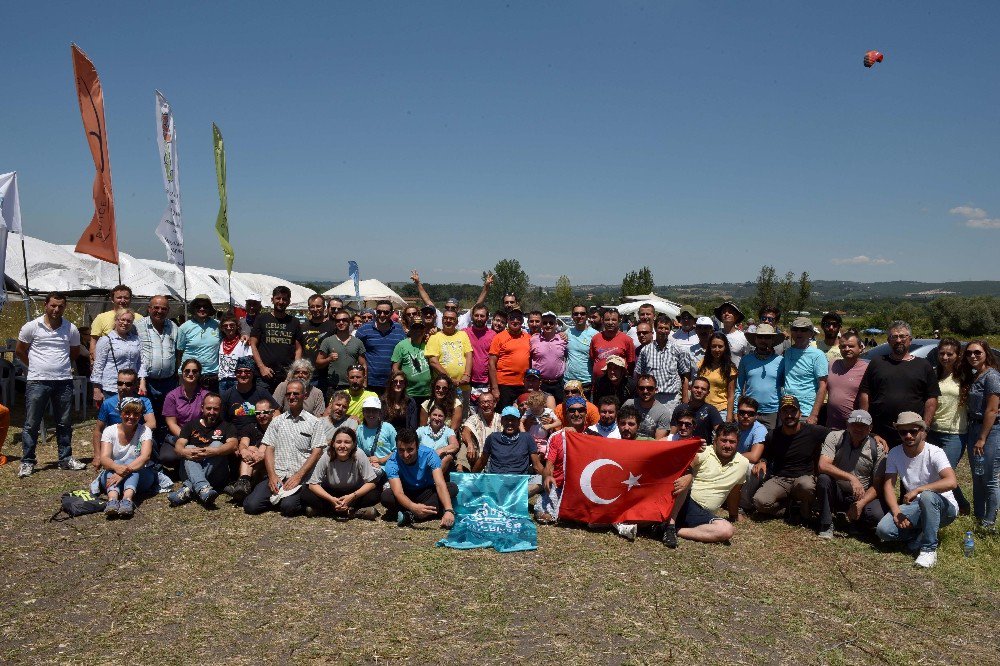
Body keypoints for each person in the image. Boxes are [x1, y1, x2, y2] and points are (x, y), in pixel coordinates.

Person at [875, 412, 959, 568]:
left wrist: (919, 490)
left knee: (927, 496)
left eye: (913, 431)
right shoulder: (894, 453)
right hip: (917, 506)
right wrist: (896, 513)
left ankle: (929, 549)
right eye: (903, 432)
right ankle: (921, 533)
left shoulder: (934, 452)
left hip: (944, 507)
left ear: (922, 431)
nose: (908, 435)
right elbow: (888, 485)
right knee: (883, 530)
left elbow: (951, 482)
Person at [243, 380, 328, 516]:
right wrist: (271, 476)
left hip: (300, 478)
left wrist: (298, 476)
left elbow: (317, 453)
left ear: (304, 396)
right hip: (278, 475)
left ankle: (290, 501)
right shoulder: (277, 421)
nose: (292, 396)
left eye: (296, 393)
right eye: (289, 394)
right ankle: (277, 497)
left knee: (288, 508)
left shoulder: (314, 423)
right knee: (250, 506)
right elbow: (269, 449)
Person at [661, 422, 749, 548]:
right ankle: (670, 525)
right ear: (715, 440)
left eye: (732, 441)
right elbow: (687, 465)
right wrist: (690, 474)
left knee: (726, 530)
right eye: (724, 440)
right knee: (684, 477)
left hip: (701, 514)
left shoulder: (743, 464)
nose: (727, 445)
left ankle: (671, 530)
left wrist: (733, 515)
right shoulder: (704, 451)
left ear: (738, 442)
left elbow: (735, 490)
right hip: (683, 503)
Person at [744, 396, 828, 522]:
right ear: (780, 414)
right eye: (785, 411)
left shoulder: (814, 431)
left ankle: (804, 505)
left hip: (803, 478)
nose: (789, 415)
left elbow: (837, 437)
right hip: (780, 479)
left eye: (793, 411)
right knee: (759, 502)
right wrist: (762, 461)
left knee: (807, 486)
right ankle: (789, 508)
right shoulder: (773, 435)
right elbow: (766, 454)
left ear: (800, 413)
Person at [859, 321, 940, 446]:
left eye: (902, 336)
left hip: (911, 433)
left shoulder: (923, 365)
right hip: (879, 433)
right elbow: (865, 393)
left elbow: (931, 399)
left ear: (910, 339)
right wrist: (866, 424)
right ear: (888, 340)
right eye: (894, 336)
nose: (898, 340)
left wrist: (925, 428)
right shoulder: (877, 363)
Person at [815, 410, 888, 539]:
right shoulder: (835, 437)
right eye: (854, 424)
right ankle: (826, 524)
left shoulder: (878, 448)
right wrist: (851, 478)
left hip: (861, 495)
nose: (858, 429)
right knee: (823, 479)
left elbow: (878, 485)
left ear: (870, 428)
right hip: (837, 490)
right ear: (847, 425)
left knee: (877, 515)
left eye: (863, 426)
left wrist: (861, 502)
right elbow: (823, 465)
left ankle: (856, 521)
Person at [168, 393, 239, 507]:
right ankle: (203, 488)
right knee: (189, 447)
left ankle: (188, 488)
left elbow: (233, 444)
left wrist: (214, 451)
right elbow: (179, 445)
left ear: (220, 409)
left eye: (215, 409)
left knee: (217, 444)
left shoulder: (227, 426)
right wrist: (185, 452)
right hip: (190, 468)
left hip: (217, 473)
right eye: (208, 408)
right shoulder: (190, 425)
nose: (212, 412)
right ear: (202, 408)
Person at [926, 338, 970, 515]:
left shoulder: (966, 376)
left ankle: (955, 505)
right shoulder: (933, 374)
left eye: (949, 354)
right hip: (933, 431)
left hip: (955, 433)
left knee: (944, 473)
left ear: (957, 355)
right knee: (935, 471)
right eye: (942, 353)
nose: (945, 357)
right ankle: (961, 504)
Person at [381, 427, 458, 528]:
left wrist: (449, 510)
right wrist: (413, 506)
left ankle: (409, 516)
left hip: (426, 491)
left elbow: (439, 483)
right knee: (386, 497)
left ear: (417, 446)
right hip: (406, 492)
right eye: (401, 450)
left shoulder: (429, 454)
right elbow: (398, 492)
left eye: (410, 450)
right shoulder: (392, 462)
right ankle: (430, 511)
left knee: (452, 488)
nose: (405, 455)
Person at [302, 426, 381, 520]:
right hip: (331, 493)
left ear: (353, 444)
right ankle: (352, 511)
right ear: (333, 444)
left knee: (375, 495)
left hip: (354, 493)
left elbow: (371, 483)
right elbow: (313, 484)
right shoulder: (327, 455)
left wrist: (352, 496)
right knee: (305, 493)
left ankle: (325, 511)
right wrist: (331, 499)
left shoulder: (359, 454)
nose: (342, 446)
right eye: (338, 442)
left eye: (347, 442)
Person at [962, 340, 1000, 529]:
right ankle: (978, 516)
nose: (973, 356)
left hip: (989, 431)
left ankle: (989, 521)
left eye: (977, 352)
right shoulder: (976, 375)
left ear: (986, 353)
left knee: (990, 478)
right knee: (977, 476)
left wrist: (982, 438)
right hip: (973, 428)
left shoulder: (992, 376)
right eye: (968, 353)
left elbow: (992, 410)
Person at [96, 398, 156, 518]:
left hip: (139, 476)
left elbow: (145, 457)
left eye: (136, 414)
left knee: (131, 463)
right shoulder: (109, 430)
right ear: (120, 413)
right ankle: (112, 499)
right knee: (116, 462)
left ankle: (127, 500)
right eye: (127, 413)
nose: (131, 417)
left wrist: (123, 472)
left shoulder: (145, 430)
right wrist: (117, 468)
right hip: (113, 474)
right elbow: (104, 459)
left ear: (140, 415)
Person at [92, 369, 156, 470]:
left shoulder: (143, 401)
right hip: (115, 443)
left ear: (136, 385)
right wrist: (97, 455)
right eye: (120, 383)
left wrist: (133, 432)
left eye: (128, 384)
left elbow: (152, 423)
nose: (123, 387)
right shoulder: (108, 404)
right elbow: (98, 430)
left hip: (137, 441)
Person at [539, 396, 590, 521]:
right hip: (560, 485)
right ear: (566, 414)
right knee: (542, 512)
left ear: (585, 413)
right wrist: (548, 476)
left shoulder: (593, 436)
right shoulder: (556, 437)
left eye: (580, 410)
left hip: (584, 487)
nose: (576, 414)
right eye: (572, 411)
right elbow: (549, 466)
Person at [135, 294, 178, 440]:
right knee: (147, 417)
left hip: (169, 381)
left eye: (164, 308)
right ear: (149, 308)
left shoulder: (173, 327)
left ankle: (163, 447)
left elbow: (178, 351)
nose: (159, 311)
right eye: (156, 308)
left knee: (166, 415)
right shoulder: (138, 326)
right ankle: (148, 450)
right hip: (147, 381)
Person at [474, 406, 543, 489]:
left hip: (520, 482)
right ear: (502, 421)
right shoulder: (492, 438)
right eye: (506, 419)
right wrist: (470, 477)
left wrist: (547, 477)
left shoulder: (526, 438)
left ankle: (515, 496)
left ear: (518, 422)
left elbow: (537, 465)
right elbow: (482, 461)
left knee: (540, 480)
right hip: (496, 481)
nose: (510, 422)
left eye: (513, 419)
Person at [250, 286, 303, 393]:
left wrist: (293, 371)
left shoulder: (294, 322)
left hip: (286, 376)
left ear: (289, 302)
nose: (281, 301)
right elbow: (253, 344)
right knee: (263, 407)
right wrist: (261, 367)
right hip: (264, 375)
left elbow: (298, 349)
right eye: (278, 298)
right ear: (272, 299)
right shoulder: (262, 319)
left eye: (284, 299)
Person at [222, 397, 275, 502]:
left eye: (265, 412)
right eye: (258, 413)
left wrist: (262, 454)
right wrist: (244, 451)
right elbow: (243, 443)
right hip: (255, 464)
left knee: (253, 448)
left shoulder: (278, 427)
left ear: (272, 412)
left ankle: (242, 484)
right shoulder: (250, 427)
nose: (261, 415)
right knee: (250, 448)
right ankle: (245, 484)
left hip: (272, 463)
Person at [777, 317, 828, 425]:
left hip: (806, 413)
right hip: (786, 410)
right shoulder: (787, 352)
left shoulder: (818, 355)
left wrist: (814, 415)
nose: (798, 332)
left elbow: (823, 386)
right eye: (795, 329)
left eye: (803, 330)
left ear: (811, 333)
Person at [91, 308, 146, 408]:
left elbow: (141, 363)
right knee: (113, 418)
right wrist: (97, 389)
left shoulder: (136, 340)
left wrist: (142, 381)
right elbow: (98, 366)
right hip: (112, 387)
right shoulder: (106, 340)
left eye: (129, 321)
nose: (125, 323)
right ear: (116, 320)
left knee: (130, 418)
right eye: (122, 320)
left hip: (131, 386)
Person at [636, 314, 690, 412]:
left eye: (666, 328)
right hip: (650, 397)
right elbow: (639, 374)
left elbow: (685, 376)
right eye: (660, 328)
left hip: (672, 399)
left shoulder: (678, 350)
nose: (663, 331)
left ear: (670, 330)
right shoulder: (645, 350)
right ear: (655, 329)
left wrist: (685, 399)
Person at [160, 359, 210, 468]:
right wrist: (187, 437)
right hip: (178, 435)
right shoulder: (172, 396)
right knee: (167, 457)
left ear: (199, 374)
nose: (190, 374)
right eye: (187, 371)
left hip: (201, 435)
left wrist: (198, 437)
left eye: (194, 371)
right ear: (182, 373)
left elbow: (210, 420)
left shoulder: (206, 395)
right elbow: (171, 423)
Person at [735, 324, 783, 431]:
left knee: (770, 444)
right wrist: (735, 410)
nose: (763, 340)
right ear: (755, 339)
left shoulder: (780, 361)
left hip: (772, 412)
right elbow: (739, 387)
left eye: (767, 337)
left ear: (772, 340)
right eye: (760, 337)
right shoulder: (746, 360)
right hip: (749, 411)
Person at [410, 269, 492, 330]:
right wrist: (418, 283)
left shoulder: (464, 319)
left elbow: (478, 304)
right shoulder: (440, 317)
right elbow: (427, 300)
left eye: (453, 308)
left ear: (458, 309)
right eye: (447, 307)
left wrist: (486, 287)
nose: (450, 309)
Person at [354, 300, 405, 394]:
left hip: (392, 382)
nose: (382, 315)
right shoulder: (364, 329)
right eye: (379, 312)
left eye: (386, 312)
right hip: (370, 382)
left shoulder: (399, 329)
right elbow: (357, 352)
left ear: (391, 313)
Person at [426, 308, 473, 405]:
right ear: (442, 320)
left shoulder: (463, 335)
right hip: (443, 386)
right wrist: (450, 380)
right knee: (443, 414)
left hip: (463, 385)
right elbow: (433, 362)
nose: (448, 320)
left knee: (462, 417)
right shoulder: (434, 337)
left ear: (456, 321)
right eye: (446, 318)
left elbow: (469, 355)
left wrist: (467, 375)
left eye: (452, 319)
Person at [316, 307, 366, 396]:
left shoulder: (358, 342)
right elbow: (318, 363)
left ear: (350, 322)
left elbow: (363, 365)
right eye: (338, 321)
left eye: (344, 320)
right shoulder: (327, 341)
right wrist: (328, 359)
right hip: (333, 386)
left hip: (353, 385)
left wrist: (364, 383)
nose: (341, 323)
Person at [222, 357, 279, 432]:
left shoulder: (261, 392)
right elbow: (223, 420)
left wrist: (270, 430)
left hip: (258, 434)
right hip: (235, 436)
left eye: (247, 371)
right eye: (239, 371)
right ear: (235, 374)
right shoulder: (227, 395)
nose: (243, 374)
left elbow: (276, 411)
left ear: (253, 373)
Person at [176, 295, 221, 391]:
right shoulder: (184, 327)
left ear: (210, 309)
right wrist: (180, 374)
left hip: (212, 374)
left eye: (205, 306)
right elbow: (179, 352)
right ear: (193, 308)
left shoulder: (217, 325)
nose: (202, 309)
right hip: (191, 374)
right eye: (198, 306)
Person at [825, 330, 868, 430]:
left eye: (851, 346)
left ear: (860, 348)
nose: (847, 349)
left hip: (855, 429)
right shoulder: (832, 365)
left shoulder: (867, 369)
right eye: (843, 346)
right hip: (831, 426)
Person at [489, 309, 531, 408]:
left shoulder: (528, 337)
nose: (515, 321)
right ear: (508, 320)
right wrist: (495, 388)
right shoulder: (499, 337)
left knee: (522, 416)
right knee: (504, 416)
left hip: (523, 385)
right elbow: (491, 364)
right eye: (512, 318)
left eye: (518, 318)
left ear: (522, 321)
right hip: (504, 385)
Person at [88, 284, 143, 360]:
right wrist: (94, 361)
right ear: (112, 299)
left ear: (130, 299)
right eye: (119, 297)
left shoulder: (139, 318)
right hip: (108, 362)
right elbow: (94, 341)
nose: (122, 300)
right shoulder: (101, 318)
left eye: (126, 298)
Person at [391, 321, 432, 406]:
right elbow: (395, 369)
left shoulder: (428, 344)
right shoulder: (401, 345)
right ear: (410, 329)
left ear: (424, 330)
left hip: (427, 393)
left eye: (420, 328)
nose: (417, 330)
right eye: (415, 328)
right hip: (408, 393)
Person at [589, 309, 635, 385]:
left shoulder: (627, 340)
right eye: (607, 320)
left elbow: (631, 363)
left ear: (619, 321)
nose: (610, 323)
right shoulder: (595, 338)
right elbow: (592, 358)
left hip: (619, 383)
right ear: (602, 320)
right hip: (599, 384)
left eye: (614, 320)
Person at [530, 312, 568, 404]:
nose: (548, 325)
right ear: (541, 325)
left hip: (558, 383)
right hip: (540, 383)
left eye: (551, 323)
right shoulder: (533, 339)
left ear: (556, 325)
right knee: (541, 412)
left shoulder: (563, 339)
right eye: (545, 323)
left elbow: (566, 356)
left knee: (559, 410)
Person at [697, 333, 736, 420]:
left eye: (720, 346)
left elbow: (731, 395)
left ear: (725, 347)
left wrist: (729, 417)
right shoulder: (702, 364)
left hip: (721, 410)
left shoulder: (730, 368)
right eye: (714, 346)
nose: (717, 349)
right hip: (703, 409)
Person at [672, 376, 722, 444]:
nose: (699, 391)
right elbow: (672, 434)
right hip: (681, 446)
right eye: (696, 387)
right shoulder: (680, 408)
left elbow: (721, 434)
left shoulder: (711, 410)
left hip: (703, 449)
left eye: (703, 389)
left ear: (708, 393)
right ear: (690, 388)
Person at [299, 294, 336, 383]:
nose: (315, 309)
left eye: (318, 306)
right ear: (309, 309)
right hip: (306, 374)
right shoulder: (302, 327)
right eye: (312, 307)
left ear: (324, 307)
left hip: (325, 374)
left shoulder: (332, 327)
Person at [461, 391, 502, 469]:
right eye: (482, 403)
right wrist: (470, 445)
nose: (486, 405)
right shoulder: (474, 418)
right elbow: (465, 432)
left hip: (497, 458)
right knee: (464, 445)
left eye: (489, 402)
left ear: (495, 403)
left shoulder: (502, 419)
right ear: (479, 405)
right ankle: (461, 471)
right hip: (477, 457)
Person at [622, 375, 671, 439]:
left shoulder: (663, 413)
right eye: (641, 388)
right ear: (637, 390)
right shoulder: (629, 404)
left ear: (656, 390)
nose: (645, 391)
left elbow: (657, 442)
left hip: (649, 446)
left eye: (649, 388)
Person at [357, 395, 398, 471]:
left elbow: (397, 450)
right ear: (363, 412)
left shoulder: (388, 428)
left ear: (379, 413)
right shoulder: (359, 429)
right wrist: (367, 459)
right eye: (368, 410)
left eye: (374, 411)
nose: (371, 414)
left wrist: (381, 460)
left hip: (387, 467)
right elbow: (358, 451)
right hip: (368, 467)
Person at [417, 404, 460, 474]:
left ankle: (435, 480)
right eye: (434, 415)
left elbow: (455, 445)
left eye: (440, 416)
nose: (437, 418)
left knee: (448, 457)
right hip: (422, 462)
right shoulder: (421, 430)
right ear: (429, 416)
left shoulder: (448, 431)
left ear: (445, 418)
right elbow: (411, 442)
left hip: (439, 465)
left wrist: (440, 451)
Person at [217, 311, 253, 393]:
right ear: (222, 328)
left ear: (237, 326)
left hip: (237, 381)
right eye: (225, 325)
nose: (229, 327)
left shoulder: (243, 342)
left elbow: (249, 362)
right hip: (222, 381)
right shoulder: (220, 342)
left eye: (232, 325)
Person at [465, 304, 497, 395]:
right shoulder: (464, 333)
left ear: (487, 317)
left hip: (486, 383)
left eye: (482, 316)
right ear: (472, 316)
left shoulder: (493, 335)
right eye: (476, 315)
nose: (479, 318)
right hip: (467, 381)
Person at [566, 304, 598, 395]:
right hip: (569, 382)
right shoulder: (567, 333)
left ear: (587, 316)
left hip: (586, 382)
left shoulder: (595, 335)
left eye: (582, 313)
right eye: (576, 314)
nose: (579, 316)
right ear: (572, 316)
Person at [714, 301, 749, 366]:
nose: (726, 313)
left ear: (737, 316)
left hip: (736, 375)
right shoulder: (715, 336)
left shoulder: (743, 337)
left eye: (730, 312)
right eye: (724, 312)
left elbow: (747, 359)